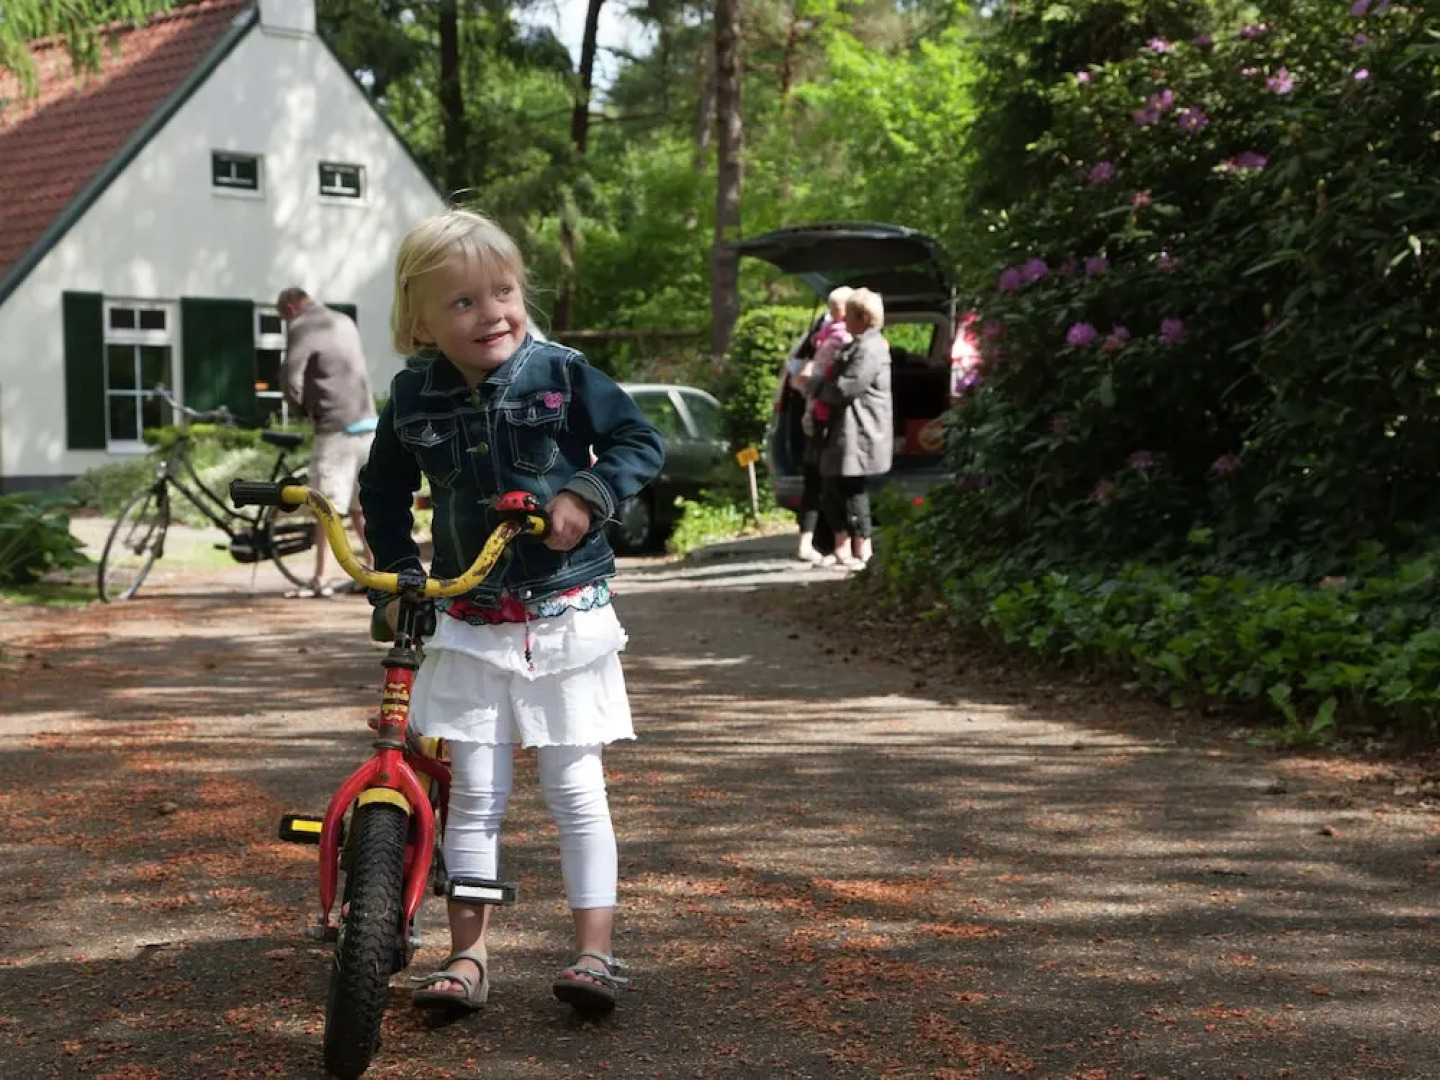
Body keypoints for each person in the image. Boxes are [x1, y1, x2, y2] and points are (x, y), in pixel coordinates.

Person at [357, 208, 666, 1016]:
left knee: (574, 788)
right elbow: (383, 490)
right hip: (471, 617)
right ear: (419, 318)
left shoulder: (562, 375)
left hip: (564, 614)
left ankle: (595, 954)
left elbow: (640, 441)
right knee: (479, 793)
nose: (491, 312)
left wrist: (584, 493)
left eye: (504, 291)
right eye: (463, 303)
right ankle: (470, 957)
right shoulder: (409, 394)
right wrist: (396, 576)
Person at [278, 287, 377, 598]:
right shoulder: (344, 320)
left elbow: (291, 379)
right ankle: (372, 574)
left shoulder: (301, 325)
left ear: (291, 309)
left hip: (336, 429)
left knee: (325, 508)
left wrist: (303, 411)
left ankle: (322, 578)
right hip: (369, 424)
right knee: (361, 508)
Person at [811, 287, 893, 569]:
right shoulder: (858, 345)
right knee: (833, 490)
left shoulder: (870, 349)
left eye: (849, 316)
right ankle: (843, 548)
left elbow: (845, 389)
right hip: (846, 431)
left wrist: (815, 385)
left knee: (853, 492)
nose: (844, 321)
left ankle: (863, 551)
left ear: (863, 317)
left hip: (860, 432)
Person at [788, 286, 852, 564]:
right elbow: (813, 380)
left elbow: (799, 377)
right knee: (831, 484)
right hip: (827, 420)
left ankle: (807, 543)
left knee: (813, 483)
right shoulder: (842, 340)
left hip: (812, 418)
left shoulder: (819, 338)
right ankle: (844, 545)